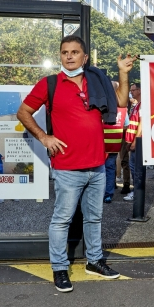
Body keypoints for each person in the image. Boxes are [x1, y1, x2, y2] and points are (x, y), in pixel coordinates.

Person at [17, 35, 134, 292]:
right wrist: (44, 137)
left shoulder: (97, 82)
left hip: (98, 166)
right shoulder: (50, 84)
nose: (69, 56)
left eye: (74, 52)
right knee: (62, 220)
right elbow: (23, 112)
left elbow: (122, 102)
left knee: (94, 218)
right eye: (64, 52)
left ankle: (94, 261)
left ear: (85, 57)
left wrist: (123, 73)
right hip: (67, 168)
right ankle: (59, 269)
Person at [103, 81, 125, 203]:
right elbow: (126, 125)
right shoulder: (121, 107)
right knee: (110, 169)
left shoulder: (100, 103)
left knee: (98, 170)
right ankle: (108, 194)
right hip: (114, 144)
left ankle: (99, 193)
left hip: (99, 144)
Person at [123, 83, 142, 202]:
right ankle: (136, 190)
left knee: (136, 169)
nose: (131, 92)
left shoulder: (142, 105)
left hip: (138, 141)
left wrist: (136, 140)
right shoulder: (137, 105)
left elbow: (142, 123)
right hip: (133, 141)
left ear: (139, 90)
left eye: (133, 90)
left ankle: (137, 192)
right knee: (133, 167)